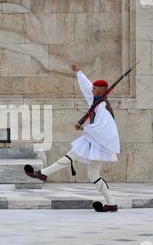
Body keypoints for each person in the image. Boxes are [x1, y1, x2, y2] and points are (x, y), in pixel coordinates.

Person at [25, 63, 120, 212]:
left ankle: (43, 173)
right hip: (95, 141)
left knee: (73, 154)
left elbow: (105, 128)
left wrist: (84, 128)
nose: (92, 90)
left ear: (101, 90)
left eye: (95, 88)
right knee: (93, 174)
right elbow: (87, 88)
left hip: (98, 142)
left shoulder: (103, 108)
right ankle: (111, 203)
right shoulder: (96, 101)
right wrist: (79, 73)